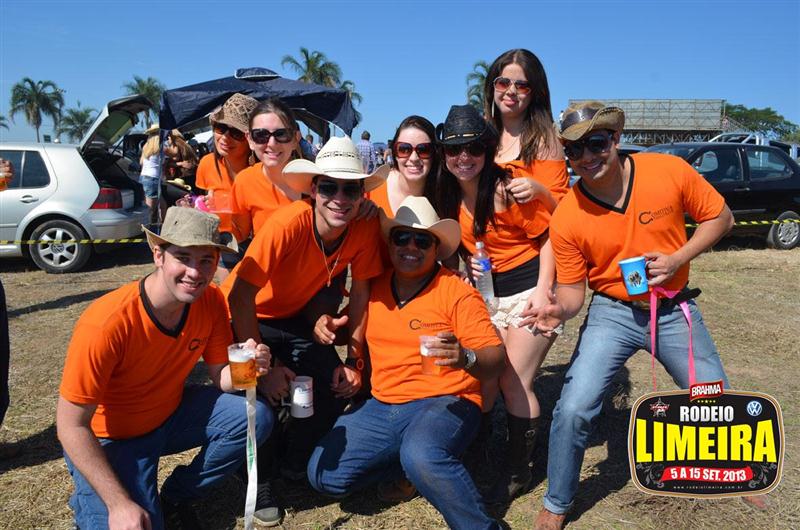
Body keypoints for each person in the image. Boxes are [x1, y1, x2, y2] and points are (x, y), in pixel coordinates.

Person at [524, 102, 733, 530]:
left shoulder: (666, 171)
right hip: (612, 312)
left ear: (616, 139)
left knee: (715, 397)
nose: (587, 157)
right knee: (574, 408)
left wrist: (677, 259)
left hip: (673, 307)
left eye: (597, 143)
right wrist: (557, 309)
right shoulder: (568, 216)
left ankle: (735, 470)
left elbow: (721, 218)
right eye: (575, 150)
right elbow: (572, 292)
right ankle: (557, 501)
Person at [56, 206, 274, 530]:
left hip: (168, 417)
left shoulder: (211, 300)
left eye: (206, 260)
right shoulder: (106, 323)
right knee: (130, 521)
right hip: (111, 439)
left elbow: (222, 378)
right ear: (158, 255)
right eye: (183, 257)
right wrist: (118, 504)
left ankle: (176, 495)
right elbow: (70, 426)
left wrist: (251, 367)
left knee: (255, 417)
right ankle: (95, 500)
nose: (194, 272)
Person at [307, 196, 506, 530]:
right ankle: (411, 469)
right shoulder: (373, 287)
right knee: (324, 475)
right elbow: (349, 328)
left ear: (436, 249)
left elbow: (495, 358)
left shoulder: (456, 292)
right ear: (390, 244)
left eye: (422, 241)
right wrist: (325, 325)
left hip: (447, 400)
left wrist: (465, 357)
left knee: (423, 454)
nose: (410, 247)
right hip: (384, 404)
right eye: (402, 237)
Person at [226, 136, 387, 525]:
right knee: (253, 394)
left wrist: (355, 361)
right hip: (245, 318)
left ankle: (294, 460)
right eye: (329, 187)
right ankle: (260, 481)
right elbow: (239, 296)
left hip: (294, 319)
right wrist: (265, 368)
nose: (340, 199)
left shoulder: (363, 228)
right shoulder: (287, 224)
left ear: (362, 195)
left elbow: (361, 293)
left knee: (333, 385)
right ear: (313, 190)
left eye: (350, 189)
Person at [433, 104, 558, 504]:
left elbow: (550, 236)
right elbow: (454, 247)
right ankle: (477, 451)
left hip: (529, 288)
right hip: (487, 294)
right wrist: (463, 273)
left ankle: (519, 468)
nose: (464, 157)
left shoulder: (507, 189)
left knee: (512, 379)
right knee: (483, 373)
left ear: (487, 150)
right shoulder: (448, 194)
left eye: (473, 148)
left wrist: (543, 290)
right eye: (454, 149)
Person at [484, 49, 569, 203]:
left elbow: (561, 207)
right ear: (492, 87)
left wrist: (541, 192)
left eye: (522, 86)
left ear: (535, 93)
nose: (511, 91)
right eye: (503, 83)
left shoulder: (545, 141)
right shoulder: (480, 134)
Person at [195, 93, 259, 280]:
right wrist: (198, 205)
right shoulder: (207, 164)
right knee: (228, 293)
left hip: (258, 244)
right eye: (221, 128)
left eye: (236, 133)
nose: (225, 137)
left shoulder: (261, 171)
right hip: (224, 243)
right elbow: (204, 202)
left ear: (250, 140)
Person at [228, 98, 304, 244]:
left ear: (295, 139)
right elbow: (239, 235)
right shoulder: (245, 181)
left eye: (281, 134)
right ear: (250, 140)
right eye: (261, 135)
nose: (272, 144)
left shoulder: (317, 180)